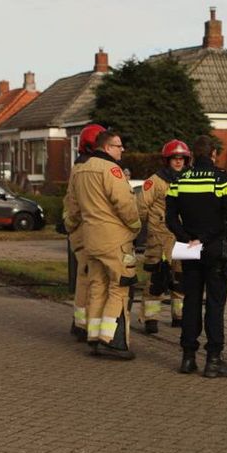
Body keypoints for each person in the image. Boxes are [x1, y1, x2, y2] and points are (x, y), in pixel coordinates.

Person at [165, 135, 227, 378]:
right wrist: (206, 238)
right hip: (213, 248)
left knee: (190, 301)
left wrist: (186, 237)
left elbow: (169, 217)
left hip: (187, 248)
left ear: (192, 156)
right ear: (213, 154)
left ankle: (188, 358)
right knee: (215, 305)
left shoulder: (179, 179)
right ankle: (213, 360)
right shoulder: (220, 179)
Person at [68, 129, 142, 359]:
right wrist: (136, 226)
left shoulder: (79, 170)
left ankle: (94, 335)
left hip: (90, 238)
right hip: (114, 239)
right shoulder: (111, 170)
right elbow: (125, 204)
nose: (123, 150)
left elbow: (72, 207)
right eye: (119, 146)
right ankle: (112, 341)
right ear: (108, 147)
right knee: (120, 287)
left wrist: (71, 227)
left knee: (97, 285)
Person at [137, 139, 191, 333]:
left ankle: (180, 315)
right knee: (156, 278)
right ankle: (150, 318)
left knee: (182, 277)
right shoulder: (155, 181)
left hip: (184, 236)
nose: (178, 162)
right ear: (167, 160)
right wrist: (150, 227)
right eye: (174, 158)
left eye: (181, 158)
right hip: (160, 237)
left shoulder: (190, 178)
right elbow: (142, 206)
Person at [62, 123, 106, 341]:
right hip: (86, 231)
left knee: (84, 277)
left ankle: (80, 322)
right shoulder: (87, 169)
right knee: (91, 279)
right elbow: (76, 204)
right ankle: (87, 326)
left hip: (80, 231)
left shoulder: (78, 167)